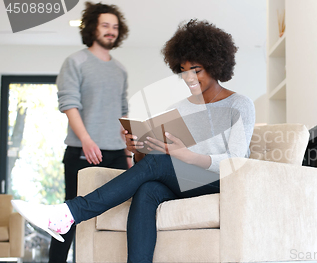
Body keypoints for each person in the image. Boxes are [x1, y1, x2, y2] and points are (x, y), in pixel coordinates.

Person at [13, 19, 255, 263]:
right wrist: (137, 149)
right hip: (184, 182)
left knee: (160, 164)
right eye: (183, 71)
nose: (189, 78)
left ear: (216, 64)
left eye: (197, 70)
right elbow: (152, 161)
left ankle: (70, 213)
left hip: (222, 182)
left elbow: (236, 162)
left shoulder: (239, 104)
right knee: (147, 189)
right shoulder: (179, 109)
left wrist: (186, 155)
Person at [51, 2, 131, 262]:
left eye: (115, 27)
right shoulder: (75, 62)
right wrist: (86, 140)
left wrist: (129, 153)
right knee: (69, 216)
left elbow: (122, 113)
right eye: (105, 25)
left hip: (117, 154)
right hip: (82, 151)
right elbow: (69, 104)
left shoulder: (120, 69)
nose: (111, 31)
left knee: (117, 213)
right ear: (93, 28)